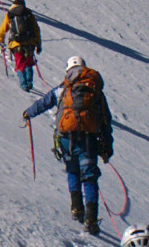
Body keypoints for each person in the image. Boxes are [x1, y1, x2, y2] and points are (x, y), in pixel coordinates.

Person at [23, 55, 115, 235]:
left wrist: (28, 113)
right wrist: (107, 145)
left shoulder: (64, 87)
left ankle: (76, 208)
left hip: (65, 137)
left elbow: (45, 101)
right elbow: (105, 119)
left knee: (72, 170)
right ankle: (91, 219)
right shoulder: (95, 89)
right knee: (89, 177)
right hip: (88, 139)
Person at [0, 0, 42, 91]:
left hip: (16, 44)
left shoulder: (11, 14)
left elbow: (2, 30)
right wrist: (38, 43)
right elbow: (36, 29)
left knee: (20, 63)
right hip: (29, 43)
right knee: (29, 63)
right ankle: (29, 83)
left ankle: (23, 84)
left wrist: (1, 41)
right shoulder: (28, 13)